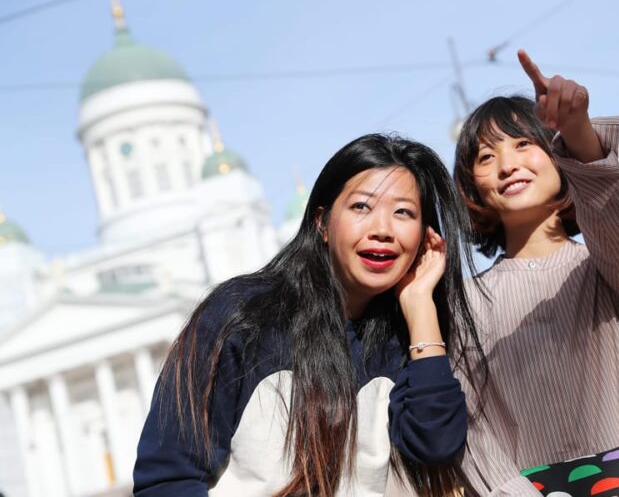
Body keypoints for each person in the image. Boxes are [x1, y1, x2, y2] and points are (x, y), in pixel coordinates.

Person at [133, 133, 486, 496]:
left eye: (403, 213)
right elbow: (167, 478)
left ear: (424, 236)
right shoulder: (242, 315)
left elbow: (437, 445)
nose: (382, 230)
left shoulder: (408, 335)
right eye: (362, 207)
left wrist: (420, 304)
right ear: (322, 223)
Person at [452, 50, 619, 496]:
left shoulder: (606, 269)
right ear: (471, 184)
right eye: (485, 156)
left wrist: (577, 131)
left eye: (523, 144)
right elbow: (472, 430)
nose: (507, 164)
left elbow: (611, 216)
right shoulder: (467, 305)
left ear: (557, 157)